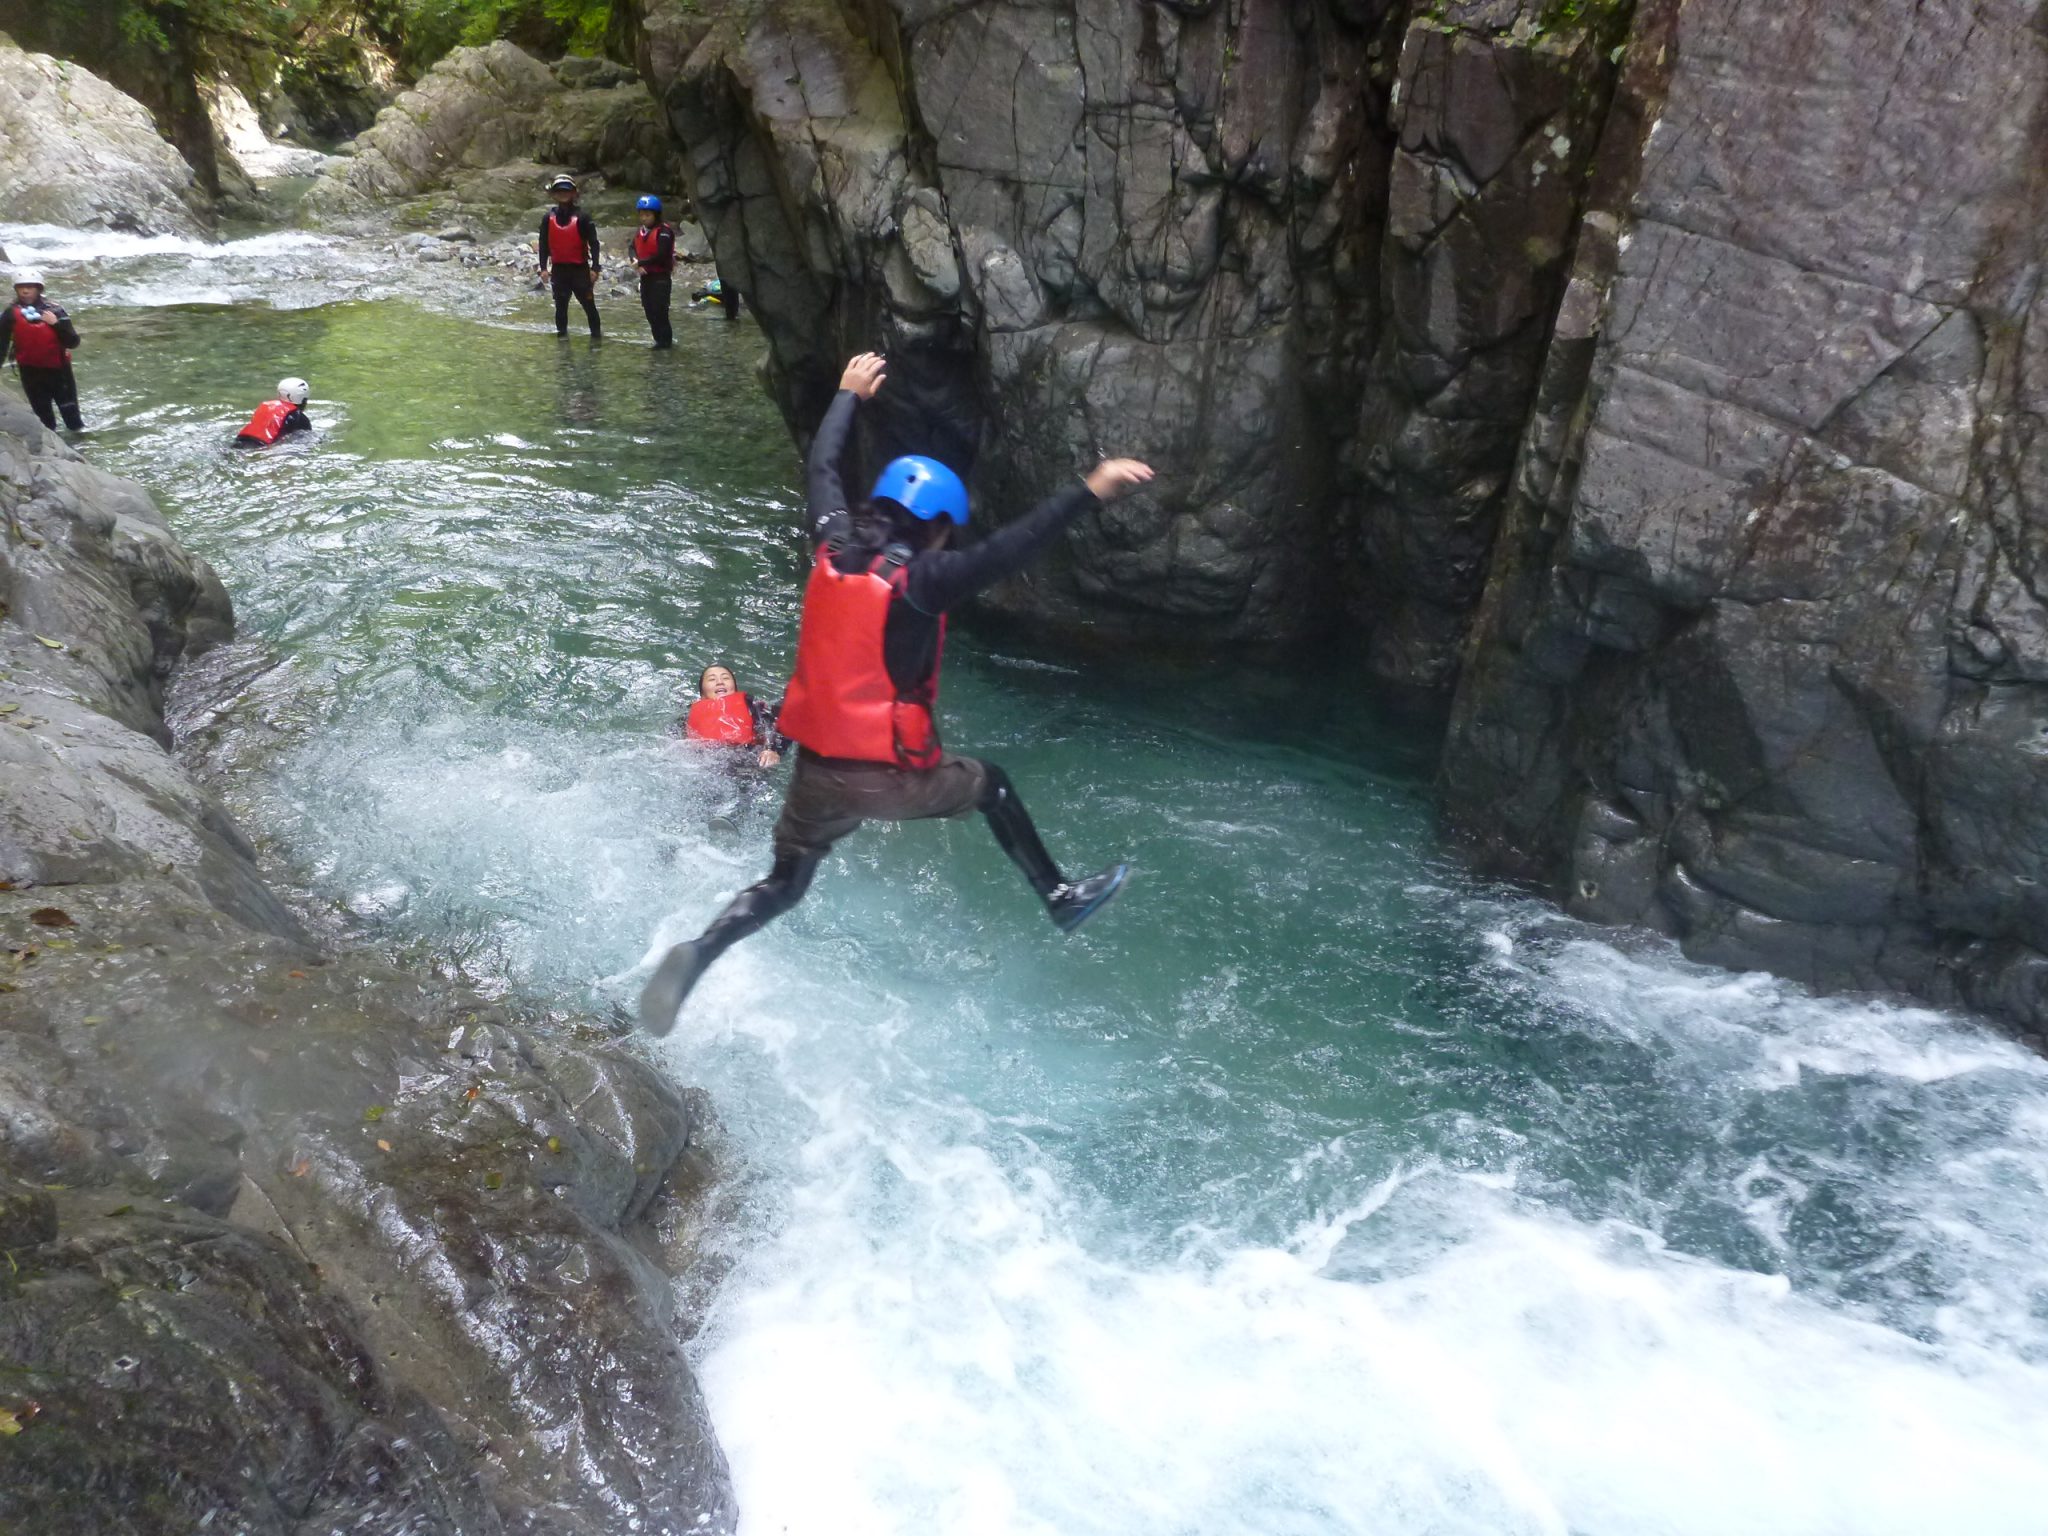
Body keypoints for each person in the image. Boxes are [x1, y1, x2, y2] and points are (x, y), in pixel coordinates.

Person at [638, 351, 1154, 1035]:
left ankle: (701, 952)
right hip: (881, 775)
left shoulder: (831, 546)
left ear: (878, 506)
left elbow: (822, 468)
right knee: (991, 785)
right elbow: (1012, 548)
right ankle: (1059, 894)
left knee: (784, 884)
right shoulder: (924, 582)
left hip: (814, 770)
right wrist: (1091, 488)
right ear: (938, 525)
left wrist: (846, 395)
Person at [679, 663, 786, 831]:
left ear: (734, 688)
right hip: (709, 758)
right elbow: (674, 739)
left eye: (726, 678)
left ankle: (734, 817)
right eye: (712, 679)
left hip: (745, 755)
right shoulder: (688, 714)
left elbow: (771, 726)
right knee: (703, 791)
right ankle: (685, 831)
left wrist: (771, 749)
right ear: (702, 693)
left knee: (749, 783)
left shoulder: (753, 706)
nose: (720, 682)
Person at [1, 271, 83, 432]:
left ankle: (80, 452)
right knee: (45, 420)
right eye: (21, 287)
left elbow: (73, 342)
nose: (25, 291)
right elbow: (1, 343)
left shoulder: (55, 310)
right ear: (16, 289)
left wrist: (56, 324)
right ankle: (55, 453)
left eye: (30, 287)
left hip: (60, 372)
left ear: (38, 289)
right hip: (30, 372)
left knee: (72, 419)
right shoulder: (11, 313)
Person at [536, 174, 601, 338]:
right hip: (559, 271)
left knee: (589, 306)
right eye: (559, 191)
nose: (563, 194)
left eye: (567, 191)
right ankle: (562, 344)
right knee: (560, 308)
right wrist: (543, 267)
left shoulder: (583, 217)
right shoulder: (547, 218)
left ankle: (596, 339)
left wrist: (595, 268)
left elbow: (594, 243)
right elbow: (543, 244)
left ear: (574, 193)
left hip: (580, 270)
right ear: (553, 194)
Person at [630, 195, 676, 349]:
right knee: (649, 311)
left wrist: (641, 262)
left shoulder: (664, 232)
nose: (644, 218)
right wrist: (634, 261)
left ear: (656, 215)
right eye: (642, 214)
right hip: (646, 278)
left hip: (660, 278)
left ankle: (666, 344)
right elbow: (631, 248)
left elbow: (661, 254)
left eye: (648, 215)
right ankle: (658, 341)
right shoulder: (640, 231)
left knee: (660, 312)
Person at [234, 377, 313, 446]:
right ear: (302, 399)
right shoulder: (300, 418)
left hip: (240, 441)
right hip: (263, 447)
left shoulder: (266, 406)